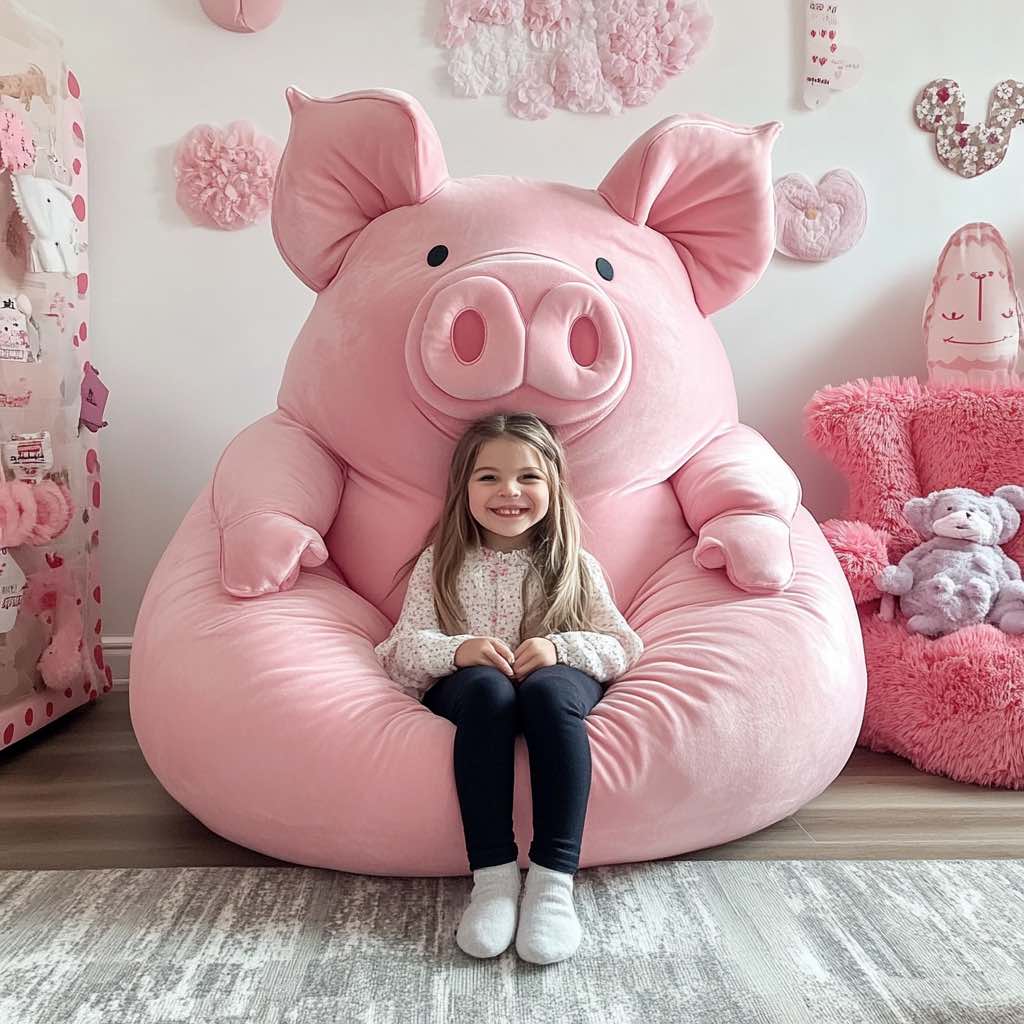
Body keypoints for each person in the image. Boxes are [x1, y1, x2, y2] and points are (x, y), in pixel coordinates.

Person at [374, 412, 644, 964]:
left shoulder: (574, 565)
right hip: (474, 693)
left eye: (528, 477)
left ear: (554, 486)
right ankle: (493, 881)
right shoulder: (440, 562)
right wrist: (459, 649)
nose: (509, 492)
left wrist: (558, 648)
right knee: (489, 691)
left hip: (553, 685)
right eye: (488, 477)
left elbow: (620, 647)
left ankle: (550, 883)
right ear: (463, 487)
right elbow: (403, 654)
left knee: (545, 692)